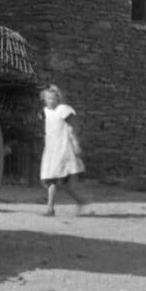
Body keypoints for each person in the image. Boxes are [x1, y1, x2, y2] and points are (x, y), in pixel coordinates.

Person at [39, 84, 88, 216]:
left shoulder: (63, 110)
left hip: (63, 148)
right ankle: (54, 207)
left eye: (54, 98)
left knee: (57, 180)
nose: (52, 101)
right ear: (45, 99)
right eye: (49, 98)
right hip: (51, 149)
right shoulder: (46, 112)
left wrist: (76, 143)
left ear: (58, 99)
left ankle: (51, 208)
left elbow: (73, 127)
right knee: (50, 179)